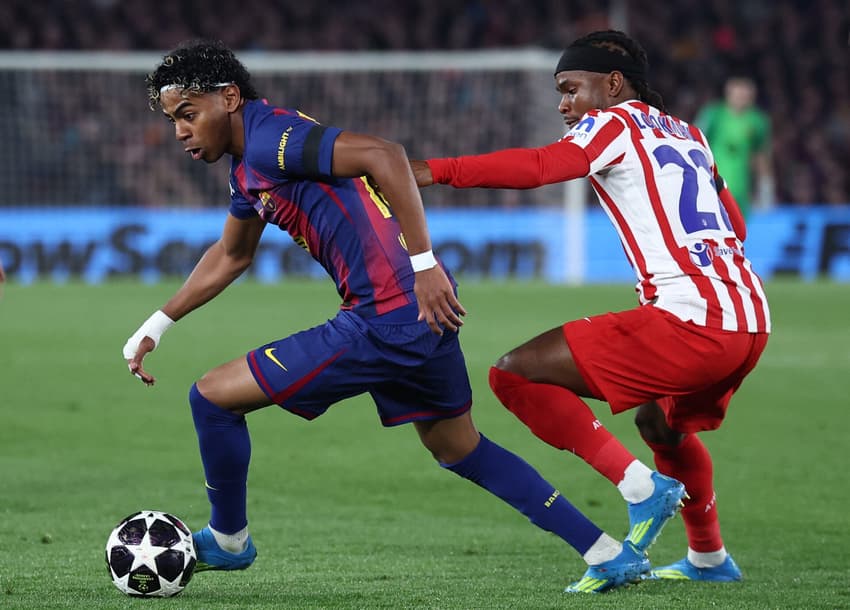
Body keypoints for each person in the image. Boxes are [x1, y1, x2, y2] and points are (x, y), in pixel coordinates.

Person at [122, 39, 653, 595]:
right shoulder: (248, 167)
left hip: (388, 314)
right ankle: (607, 553)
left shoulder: (270, 138)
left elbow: (386, 155)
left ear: (229, 97)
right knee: (458, 447)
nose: (180, 130)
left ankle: (230, 541)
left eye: (189, 114)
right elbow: (232, 254)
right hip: (419, 313)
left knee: (211, 397)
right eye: (173, 119)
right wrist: (156, 324)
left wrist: (424, 265)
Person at [411, 29, 771, 585]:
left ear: (613, 84)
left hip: (694, 320)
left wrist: (437, 170)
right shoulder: (691, 135)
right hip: (749, 318)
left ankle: (641, 489)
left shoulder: (615, 122)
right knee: (660, 422)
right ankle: (709, 559)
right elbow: (737, 226)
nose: (563, 104)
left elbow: (538, 168)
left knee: (515, 375)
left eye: (571, 89)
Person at [695, 76, 773, 218]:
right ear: (728, 92)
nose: (741, 97)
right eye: (738, 93)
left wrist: (765, 187)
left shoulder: (758, 121)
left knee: (738, 235)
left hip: (741, 190)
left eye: (745, 93)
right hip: (711, 185)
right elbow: (695, 143)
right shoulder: (714, 114)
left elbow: (760, 155)